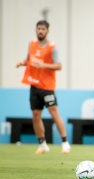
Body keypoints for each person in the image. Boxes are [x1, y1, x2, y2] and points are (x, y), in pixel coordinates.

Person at [16, 20, 71, 155]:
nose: (40, 31)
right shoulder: (32, 43)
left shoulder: (52, 47)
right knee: (35, 115)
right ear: (36, 30)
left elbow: (59, 66)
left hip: (47, 86)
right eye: (38, 28)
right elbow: (30, 59)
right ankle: (42, 144)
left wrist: (43, 64)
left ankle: (65, 143)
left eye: (43, 29)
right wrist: (23, 63)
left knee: (53, 112)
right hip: (34, 84)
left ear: (47, 31)